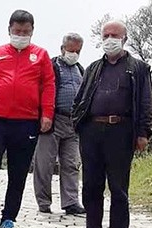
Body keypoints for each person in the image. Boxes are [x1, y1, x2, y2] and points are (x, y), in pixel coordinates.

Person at [72, 20, 152, 228]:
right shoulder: (93, 68)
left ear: (124, 39)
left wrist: (143, 132)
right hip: (91, 131)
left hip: (121, 131)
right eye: (105, 35)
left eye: (114, 35)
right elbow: (79, 100)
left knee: (118, 188)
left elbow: (146, 102)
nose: (109, 39)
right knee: (91, 185)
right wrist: (77, 123)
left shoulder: (138, 68)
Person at [0, 10, 55, 228]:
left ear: (32, 31)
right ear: (9, 29)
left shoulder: (41, 55)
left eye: (25, 32)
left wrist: (47, 113)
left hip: (27, 121)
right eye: (17, 31)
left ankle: (9, 217)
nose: (21, 35)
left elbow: (49, 86)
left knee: (18, 171)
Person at [33, 33, 86, 215]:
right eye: (71, 50)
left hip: (73, 124)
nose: (73, 53)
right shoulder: (50, 65)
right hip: (51, 120)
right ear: (62, 48)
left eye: (77, 50)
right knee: (45, 163)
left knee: (71, 163)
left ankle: (71, 202)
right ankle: (43, 202)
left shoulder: (81, 70)